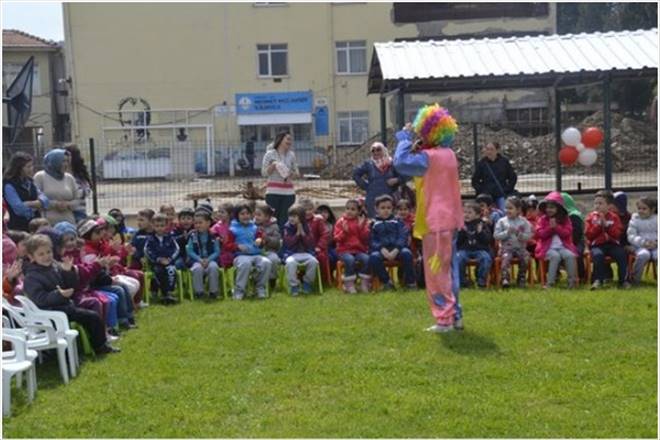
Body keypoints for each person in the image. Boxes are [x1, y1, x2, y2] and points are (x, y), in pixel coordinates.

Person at [393, 104, 464, 333]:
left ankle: (444, 319)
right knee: (448, 269)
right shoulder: (448, 154)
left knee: (435, 271)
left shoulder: (427, 158)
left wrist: (404, 139)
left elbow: (400, 163)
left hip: (436, 222)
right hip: (450, 219)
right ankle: (456, 315)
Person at [22, 234, 119, 354]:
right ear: (31, 257)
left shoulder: (55, 266)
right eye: (41, 254)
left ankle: (100, 345)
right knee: (90, 316)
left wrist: (68, 272)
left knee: (93, 316)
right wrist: (59, 294)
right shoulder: (31, 277)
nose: (46, 256)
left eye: (48, 252)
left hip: (65, 306)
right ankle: (77, 351)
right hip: (50, 312)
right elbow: (40, 299)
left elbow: (72, 285)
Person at [369, 195, 416, 290]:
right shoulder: (373, 224)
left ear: (392, 209)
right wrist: (381, 249)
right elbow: (372, 239)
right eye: (382, 208)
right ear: (376, 209)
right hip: (382, 250)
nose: (386, 210)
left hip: (397, 249)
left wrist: (397, 249)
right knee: (374, 257)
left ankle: (410, 283)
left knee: (407, 253)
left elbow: (403, 236)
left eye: (389, 208)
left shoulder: (398, 221)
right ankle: (387, 282)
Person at [225, 204, 272, 300]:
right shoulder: (232, 229)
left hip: (256, 254)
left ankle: (260, 288)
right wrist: (237, 246)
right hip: (240, 256)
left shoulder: (255, 228)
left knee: (266, 262)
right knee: (245, 264)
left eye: (247, 213)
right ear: (237, 216)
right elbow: (227, 245)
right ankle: (239, 291)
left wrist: (260, 240)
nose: (245, 216)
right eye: (242, 214)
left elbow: (262, 239)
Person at [585, 190, 629, 290]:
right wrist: (598, 226)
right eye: (595, 203)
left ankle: (623, 281)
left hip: (612, 244)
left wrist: (607, 226)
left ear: (609, 205)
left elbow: (617, 234)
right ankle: (598, 280)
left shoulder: (614, 217)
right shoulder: (590, 217)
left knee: (621, 254)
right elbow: (588, 235)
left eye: (600, 203)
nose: (597, 206)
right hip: (597, 245)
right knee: (598, 255)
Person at [535, 191, 578, 289]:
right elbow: (540, 234)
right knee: (555, 256)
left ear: (558, 209)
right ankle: (550, 283)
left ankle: (572, 282)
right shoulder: (542, 219)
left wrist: (557, 227)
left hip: (563, 247)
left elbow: (567, 232)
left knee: (570, 255)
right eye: (547, 207)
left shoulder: (565, 219)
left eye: (552, 207)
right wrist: (550, 228)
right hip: (547, 248)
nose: (549, 210)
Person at [352, 142, 405, 218]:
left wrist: (396, 180)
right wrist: (366, 186)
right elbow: (355, 174)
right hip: (373, 198)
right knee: (374, 222)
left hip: (390, 196)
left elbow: (404, 176)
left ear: (384, 150)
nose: (376, 152)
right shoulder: (368, 164)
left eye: (378, 150)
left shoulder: (392, 163)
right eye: (373, 150)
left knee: (391, 221)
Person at [3, 152, 49, 231]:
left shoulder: (30, 182)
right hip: (18, 228)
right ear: (19, 168)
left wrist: (29, 204)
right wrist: (36, 206)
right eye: (28, 167)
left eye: (32, 166)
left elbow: (45, 200)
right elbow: (19, 209)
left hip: (36, 227)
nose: (31, 169)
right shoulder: (9, 185)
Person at [262, 132, 300, 229]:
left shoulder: (291, 155)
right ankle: (273, 241)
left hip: (288, 194)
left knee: (286, 220)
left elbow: (297, 173)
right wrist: (273, 165)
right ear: (280, 140)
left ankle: (284, 241)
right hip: (273, 193)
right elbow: (264, 173)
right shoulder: (269, 154)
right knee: (272, 219)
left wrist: (291, 174)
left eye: (290, 139)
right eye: (287, 139)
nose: (289, 141)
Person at [493, 196, 532, 288]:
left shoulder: (524, 222)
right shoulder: (501, 221)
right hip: (506, 249)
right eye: (506, 208)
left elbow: (528, 236)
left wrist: (520, 234)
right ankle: (505, 278)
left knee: (526, 257)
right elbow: (496, 235)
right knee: (506, 259)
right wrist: (506, 233)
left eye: (510, 208)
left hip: (520, 248)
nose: (507, 210)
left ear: (518, 210)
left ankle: (521, 277)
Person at [333, 199, 371, 294]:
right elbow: (336, 239)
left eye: (353, 209)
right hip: (343, 250)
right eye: (347, 208)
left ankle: (364, 283)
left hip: (358, 250)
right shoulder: (341, 222)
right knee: (350, 260)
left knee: (366, 259)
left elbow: (365, 239)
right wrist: (344, 232)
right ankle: (349, 284)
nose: (349, 211)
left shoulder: (362, 221)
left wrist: (361, 226)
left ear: (358, 212)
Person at [33, 149, 79, 225]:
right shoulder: (40, 176)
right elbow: (36, 198)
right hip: (47, 223)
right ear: (54, 161)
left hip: (68, 223)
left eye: (67, 161)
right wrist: (55, 204)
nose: (66, 164)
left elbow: (77, 200)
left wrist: (67, 204)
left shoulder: (69, 178)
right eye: (63, 161)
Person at [281, 205, 319, 296]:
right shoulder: (287, 227)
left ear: (301, 218)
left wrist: (303, 234)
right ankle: (294, 285)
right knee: (290, 263)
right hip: (291, 253)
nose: (291, 219)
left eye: (294, 216)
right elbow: (288, 243)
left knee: (313, 262)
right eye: (290, 216)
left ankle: (307, 283)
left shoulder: (306, 227)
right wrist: (297, 235)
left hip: (306, 253)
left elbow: (311, 243)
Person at [144, 214, 180, 304]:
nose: (160, 228)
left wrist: (170, 259)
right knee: (158, 271)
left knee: (171, 270)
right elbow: (147, 251)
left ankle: (169, 292)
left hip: (168, 262)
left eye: (162, 226)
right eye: (157, 226)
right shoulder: (150, 239)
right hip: (156, 263)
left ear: (166, 226)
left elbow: (176, 249)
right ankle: (163, 293)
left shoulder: (170, 238)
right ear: (153, 226)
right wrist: (158, 259)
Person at [471, 141, 517, 211]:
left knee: (505, 211)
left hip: (501, 194)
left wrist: (507, 189)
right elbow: (474, 181)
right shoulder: (481, 163)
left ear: (497, 150)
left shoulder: (504, 162)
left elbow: (513, 177)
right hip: (487, 195)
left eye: (491, 149)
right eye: (487, 149)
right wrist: (482, 191)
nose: (489, 152)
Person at [456, 202, 492, 288]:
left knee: (486, 258)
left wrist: (480, 233)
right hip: (464, 249)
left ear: (477, 215)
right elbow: (457, 242)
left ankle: (481, 280)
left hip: (480, 249)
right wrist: (461, 232)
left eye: (469, 212)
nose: (466, 215)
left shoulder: (482, 224)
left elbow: (488, 240)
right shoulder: (461, 225)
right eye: (464, 212)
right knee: (458, 258)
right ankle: (463, 281)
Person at [187, 209, 220, 299]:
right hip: (197, 260)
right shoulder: (192, 235)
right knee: (197, 269)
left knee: (213, 267)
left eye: (200, 223)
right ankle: (199, 292)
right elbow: (189, 251)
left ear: (208, 223)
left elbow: (217, 251)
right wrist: (200, 260)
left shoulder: (214, 235)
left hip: (211, 259)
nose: (198, 225)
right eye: (196, 223)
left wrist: (208, 260)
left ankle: (213, 292)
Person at [299, 198, 330, 284]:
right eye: (305, 210)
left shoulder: (318, 220)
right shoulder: (298, 221)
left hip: (317, 247)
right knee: (300, 259)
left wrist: (319, 246)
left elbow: (325, 234)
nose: (308, 212)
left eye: (310, 209)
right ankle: (301, 276)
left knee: (322, 257)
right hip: (303, 248)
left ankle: (323, 279)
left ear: (314, 209)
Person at [627, 196, 657, 285]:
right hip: (640, 246)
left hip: (656, 246)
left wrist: (656, 242)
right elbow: (631, 235)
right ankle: (635, 280)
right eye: (639, 208)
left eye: (644, 209)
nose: (641, 211)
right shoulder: (634, 220)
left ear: (652, 210)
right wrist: (643, 242)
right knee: (643, 255)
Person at [254, 204, 281, 288]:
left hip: (269, 250)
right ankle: (255, 280)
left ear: (267, 217)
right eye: (255, 215)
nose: (256, 217)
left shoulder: (274, 227)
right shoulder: (253, 226)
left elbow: (277, 243)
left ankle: (271, 280)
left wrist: (267, 239)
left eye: (259, 215)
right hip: (255, 251)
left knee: (274, 259)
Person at [561, 192, 586, 282]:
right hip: (564, 241)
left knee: (576, 252)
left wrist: (568, 244)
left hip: (577, 241)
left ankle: (581, 275)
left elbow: (577, 235)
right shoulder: (559, 216)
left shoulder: (574, 215)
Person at [64, 144, 92, 223]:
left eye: (68, 156)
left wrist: (72, 193)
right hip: (65, 211)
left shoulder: (78, 174)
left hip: (79, 211)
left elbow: (86, 191)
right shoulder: (61, 173)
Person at [211, 202, 235, 269]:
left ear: (230, 214)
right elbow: (212, 234)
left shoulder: (234, 224)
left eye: (222, 212)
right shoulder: (217, 226)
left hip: (233, 249)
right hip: (222, 250)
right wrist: (217, 238)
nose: (219, 214)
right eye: (219, 211)